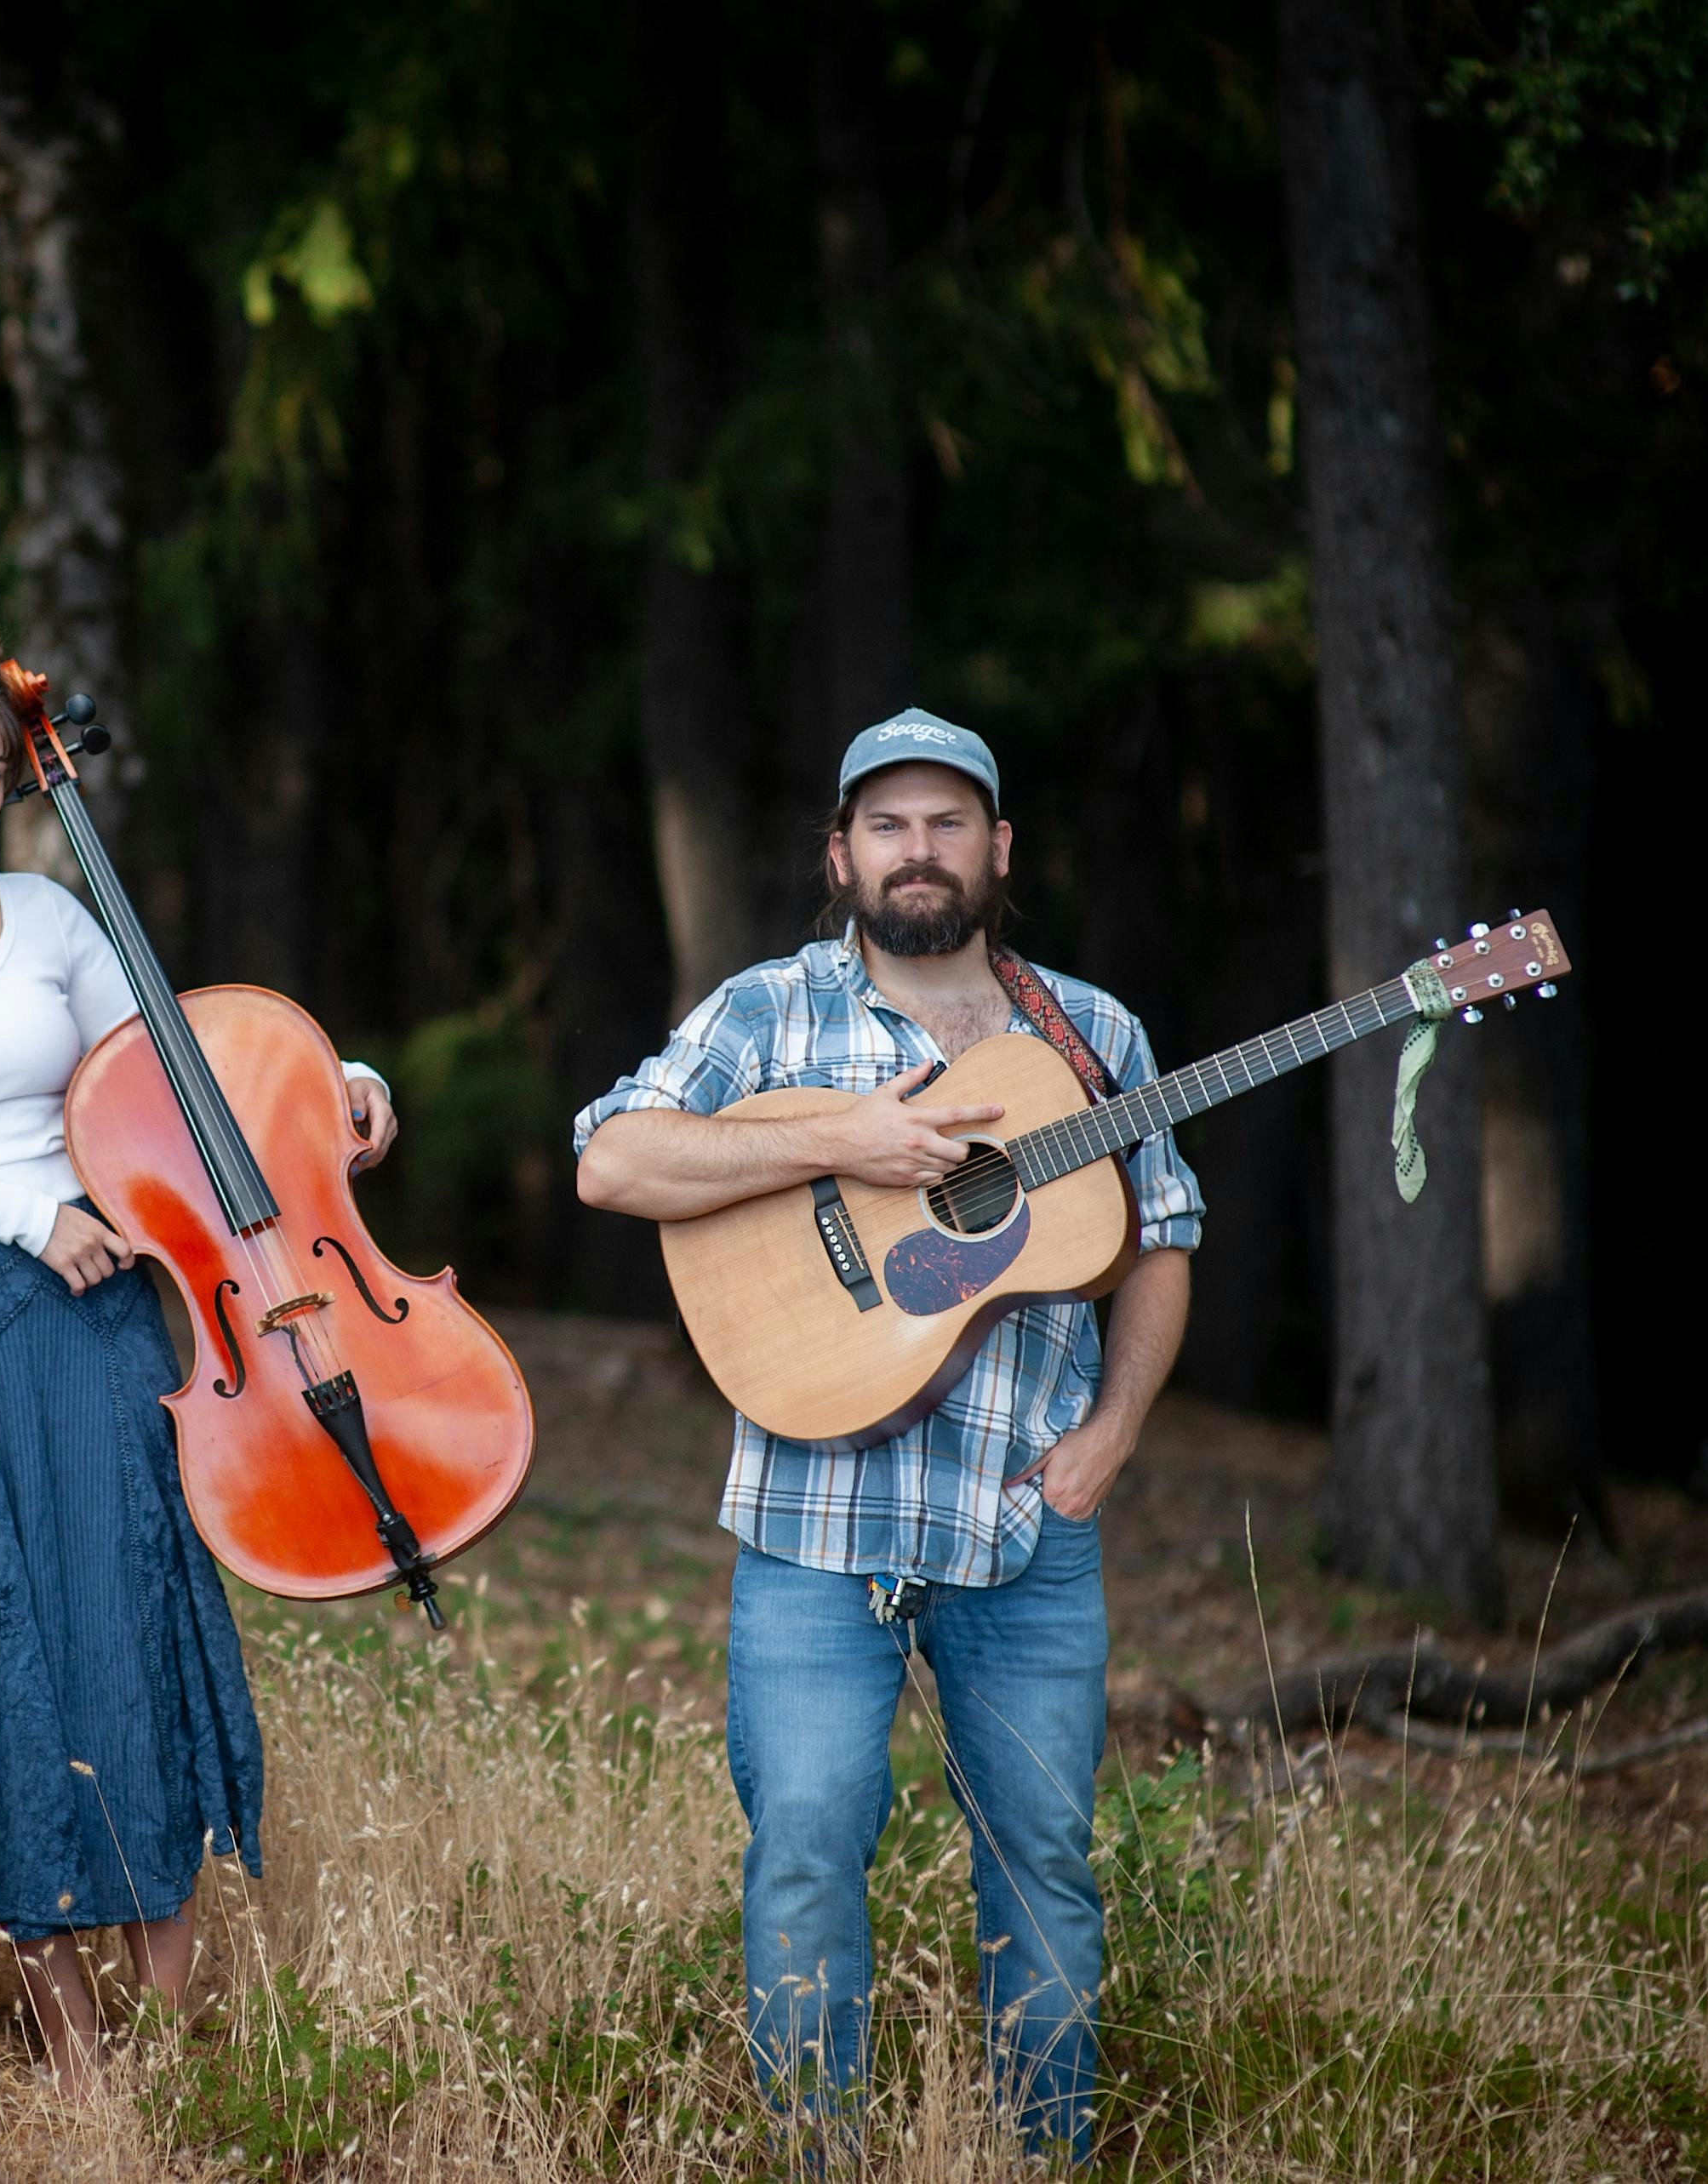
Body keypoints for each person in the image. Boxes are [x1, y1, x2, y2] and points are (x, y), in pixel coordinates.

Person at [0, 613, 401, 2093]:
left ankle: (163, 2039)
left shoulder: (46, 918)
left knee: (127, 1629)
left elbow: (172, 1074)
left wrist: (336, 1074)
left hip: (90, 1313)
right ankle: (70, 2039)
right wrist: (20, 1211)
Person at [570, 709, 1202, 2163]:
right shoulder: (767, 1013)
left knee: (1043, 1868)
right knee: (803, 1858)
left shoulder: (1090, 1037)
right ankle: (818, 2157)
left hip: (1023, 1522)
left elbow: (1162, 1237)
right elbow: (613, 1157)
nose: (917, 850)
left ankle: (1038, 2153)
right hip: (811, 1520)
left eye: (946, 822)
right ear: (840, 852)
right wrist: (834, 1142)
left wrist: (1113, 1430)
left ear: (997, 849)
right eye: (887, 824)